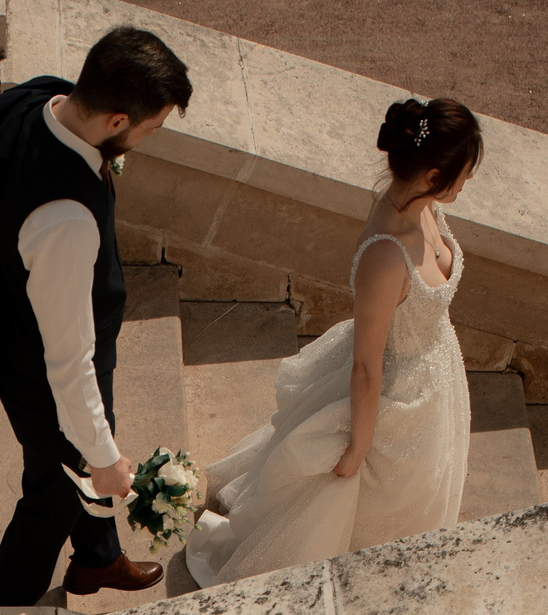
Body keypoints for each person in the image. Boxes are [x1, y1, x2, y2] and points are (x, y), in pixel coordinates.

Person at [0, 28, 194, 606]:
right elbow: (69, 363)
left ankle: (96, 560)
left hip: (17, 325)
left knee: (71, 480)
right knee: (51, 497)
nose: (148, 139)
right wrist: (106, 459)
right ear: (117, 121)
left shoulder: (39, 101)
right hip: (41, 372)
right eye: (151, 128)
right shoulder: (65, 220)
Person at [185, 98, 482, 587]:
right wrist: (360, 445)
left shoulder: (420, 205)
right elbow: (366, 367)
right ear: (431, 175)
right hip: (391, 393)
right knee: (359, 499)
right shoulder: (386, 257)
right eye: (462, 176)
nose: (465, 185)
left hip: (435, 377)